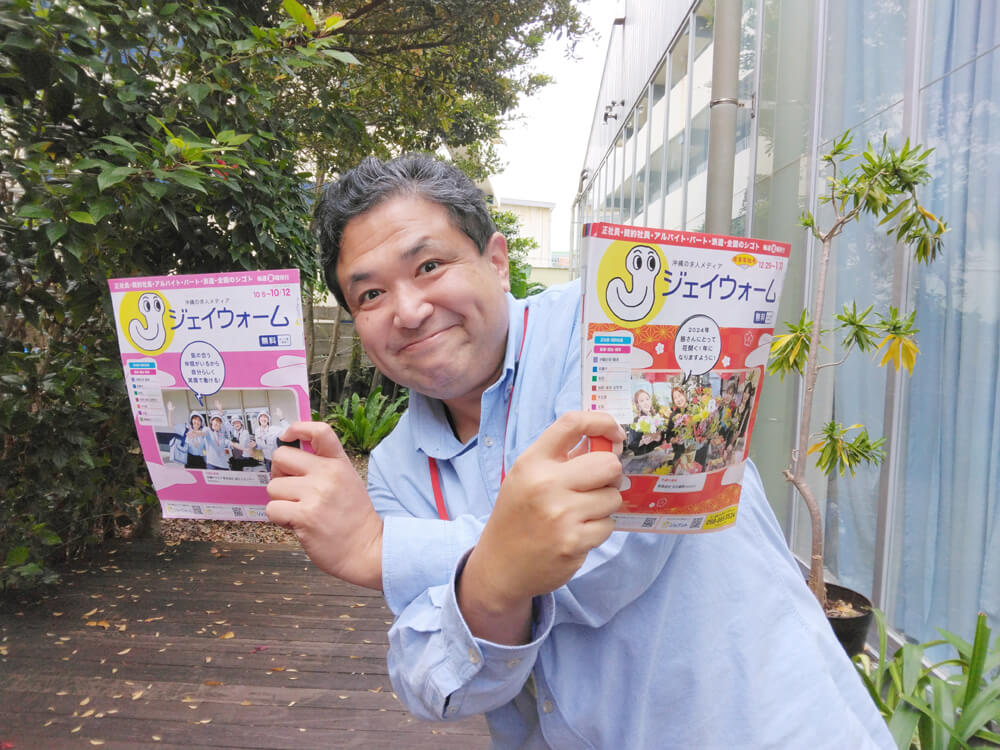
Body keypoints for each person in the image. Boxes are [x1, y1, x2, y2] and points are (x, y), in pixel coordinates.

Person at [264, 154, 894, 749]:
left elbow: (613, 553)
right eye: (370, 294)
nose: (407, 310)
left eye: (429, 265)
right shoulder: (398, 465)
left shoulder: (615, 327)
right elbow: (438, 682)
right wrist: (483, 580)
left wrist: (385, 550)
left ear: (496, 261)